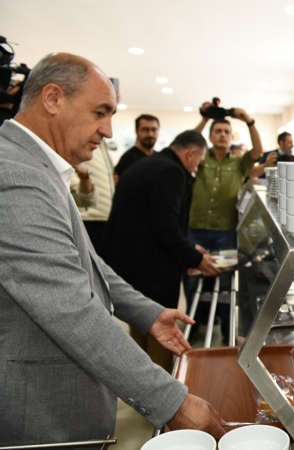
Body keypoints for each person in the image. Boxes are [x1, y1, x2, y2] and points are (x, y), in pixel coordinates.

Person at [0, 53, 225, 445]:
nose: (107, 130)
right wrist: (172, 402)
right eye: (100, 112)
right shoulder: (16, 175)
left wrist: (147, 313)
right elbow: (70, 310)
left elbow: (88, 262)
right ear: (53, 99)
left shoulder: (40, 166)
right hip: (38, 410)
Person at [102, 130, 221, 371]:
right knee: (160, 332)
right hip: (152, 271)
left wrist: (189, 247)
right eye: (199, 161)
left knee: (140, 326)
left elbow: (149, 219)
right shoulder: (171, 171)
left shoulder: (148, 164)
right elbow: (165, 227)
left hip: (131, 266)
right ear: (191, 154)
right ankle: (159, 384)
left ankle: (140, 379)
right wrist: (196, 258)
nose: (197, 168)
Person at [187, 101, 264, 344]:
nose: (222, 135)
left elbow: (258, 151)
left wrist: (248, 120)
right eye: (218, 131)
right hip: (195, 231)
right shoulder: (200, 159)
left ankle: (227, 332)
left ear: (231, 137)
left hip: (226, 233)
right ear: (210, 136)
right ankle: (193, 326)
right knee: (192, 280)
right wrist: (206, 117)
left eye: (227, 132)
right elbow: (188, 143)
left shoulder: (239, 163)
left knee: (226, 283)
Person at [113, 114, 159, 183]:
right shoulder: (128, 159)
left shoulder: (159, 157)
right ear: (137, 131)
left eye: (154, 129)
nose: (150, 134)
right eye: (145, 130)